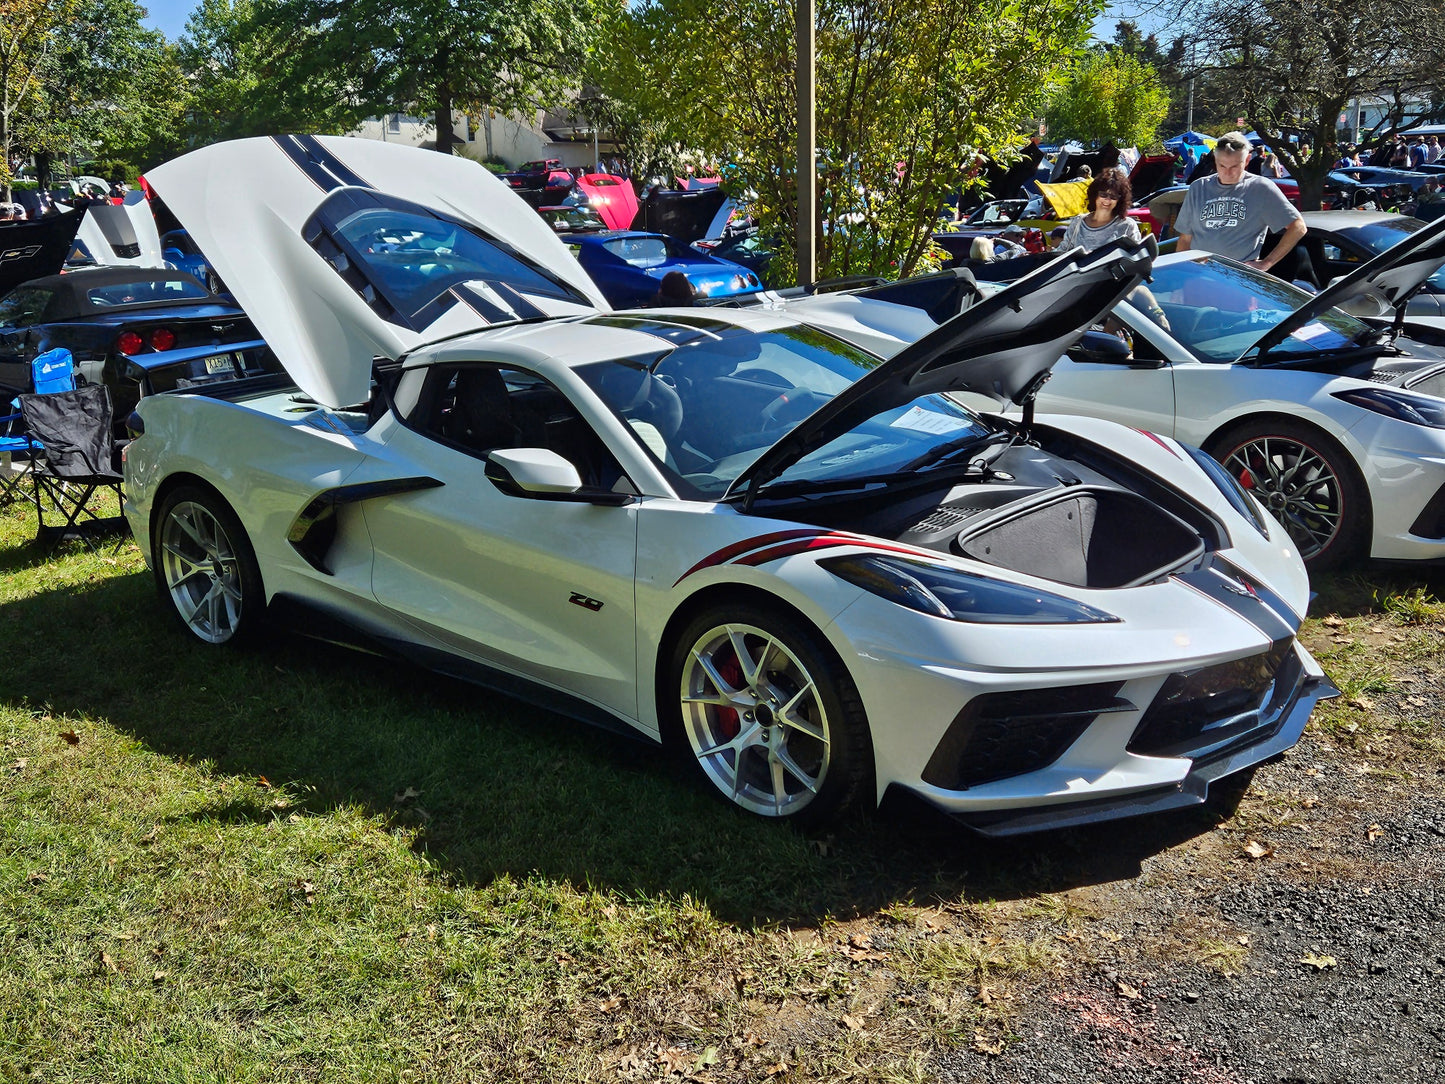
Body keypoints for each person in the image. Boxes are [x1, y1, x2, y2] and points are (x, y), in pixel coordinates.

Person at [1175, 131, 1307, 272]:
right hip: (1200, 274)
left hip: (1238, 279)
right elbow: (1185, 239)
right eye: (1222, 166)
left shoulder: (1260, 188)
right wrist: (1180, 276)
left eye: (1234, 167)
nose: (1227, 173)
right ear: (1215, 160)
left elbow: (1298, 227)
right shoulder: (1198, 187)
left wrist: (1267, 263)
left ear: (1247, 160)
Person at [1058, 169, 1141, 252]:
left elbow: (1137, 257)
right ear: (1094, 195)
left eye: (1113, 196)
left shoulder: (1127, 225)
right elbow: (1063, 251)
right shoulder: (1078, 222)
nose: (1107, 200)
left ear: (1120, 200)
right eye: (1103, 195)